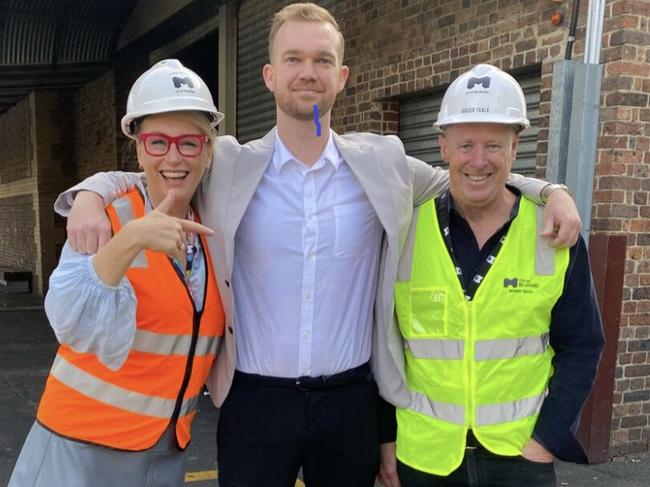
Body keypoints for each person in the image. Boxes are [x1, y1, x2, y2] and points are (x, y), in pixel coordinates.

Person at [54, 4, 582, 487]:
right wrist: (88, 193)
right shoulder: (230, 165)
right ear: (270, 75)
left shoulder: (384, 163)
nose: (308, 71)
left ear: (342, 76)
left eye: (322, 60)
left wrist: (550, 190)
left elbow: (470, 175)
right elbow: (162, 162)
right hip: (254, 402)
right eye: (294, 58)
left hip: (350, 402)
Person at [376, 64, 604, 487]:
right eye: (465, 145)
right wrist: (385, 438)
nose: (478, 161)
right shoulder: (403, 229)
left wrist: (546, 440)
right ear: (442, 147)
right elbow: (384, 346)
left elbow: (583, 345)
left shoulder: (552, 232)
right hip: (424, 459)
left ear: (515, 147)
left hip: (519, 459)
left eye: (493, 145)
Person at [8, 59, 225, 487]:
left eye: (190, 143)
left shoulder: (217, 222)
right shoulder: (106, 219)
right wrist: (130, 239)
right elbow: (69, 320)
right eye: (158, 142)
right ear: (139, 147)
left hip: (164, 451)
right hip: (81, 447)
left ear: (209, 148)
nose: (174, 157)